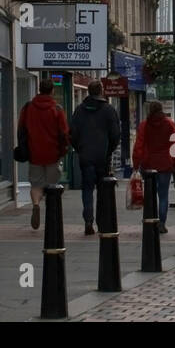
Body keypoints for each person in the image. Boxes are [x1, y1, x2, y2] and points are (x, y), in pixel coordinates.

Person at [69, 79, 121, 236]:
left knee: (87, 189)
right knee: (103, 191)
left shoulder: (79, 110)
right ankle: (101, 221)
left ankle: (88, 220)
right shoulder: (108, 110)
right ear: (101, 91)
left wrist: (80, 149)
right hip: (102, 157)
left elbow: (72, 134)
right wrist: (109, 150)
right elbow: (115, 135)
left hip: (85, 156)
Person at [21, 78, 70, 230]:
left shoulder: (28, 107)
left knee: (36, 184)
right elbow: (64, 133)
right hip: (52, 153)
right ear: (52, 91)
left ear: (39, 89)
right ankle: (51, 214)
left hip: (34, 153)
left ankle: (36, 205)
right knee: (52, 186)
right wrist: (64, 149)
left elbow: (21, 130)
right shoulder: (57, 109)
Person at [132, 100, 175, 233]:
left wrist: (136, 164)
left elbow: (138, 146)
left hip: (148, 165)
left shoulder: (144, 125)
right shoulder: (170, 124)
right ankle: (162, 223)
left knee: (150, 194)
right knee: (163, 195)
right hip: (165, 164)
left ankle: (150, 219)